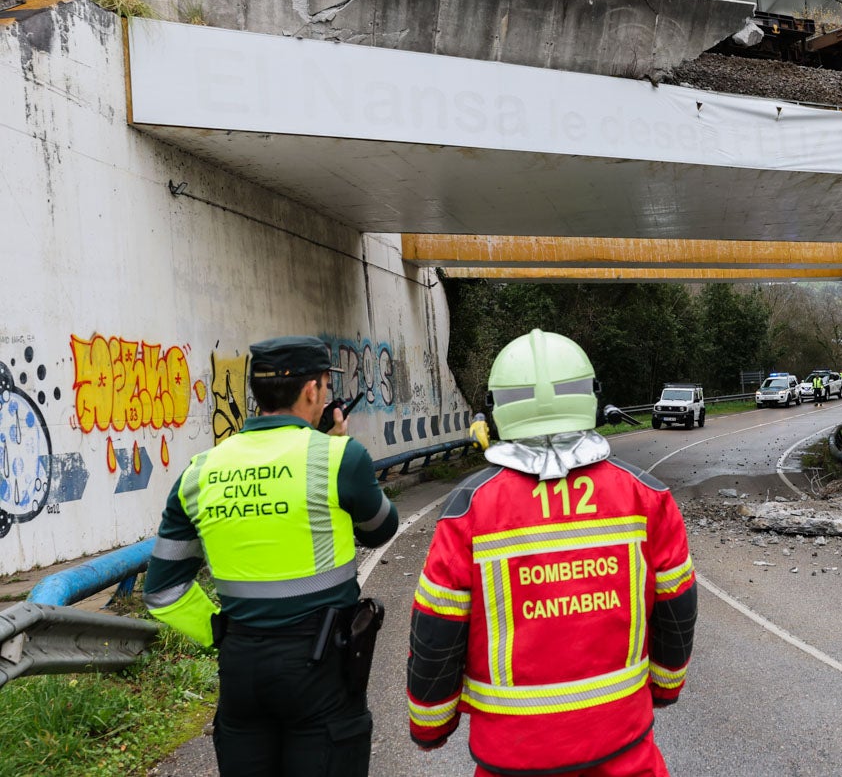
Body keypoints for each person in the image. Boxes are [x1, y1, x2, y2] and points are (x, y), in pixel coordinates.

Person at [407, 329, 697, 776]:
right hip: (625, 749)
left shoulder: (468, 509)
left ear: (499, 406)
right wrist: (665, 685)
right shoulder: (646, 495)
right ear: (590, 396)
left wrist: (430, 724)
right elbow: (677, 604)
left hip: (511, 756)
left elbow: (438, 629)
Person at [143, 335, 398, 777]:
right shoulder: (338, 458)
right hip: (321, 666)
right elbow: (382, 530)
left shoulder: (199, 471)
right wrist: (337, 445)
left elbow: (163, 591)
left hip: (241, 665)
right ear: (313, 390)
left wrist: (222, 634)